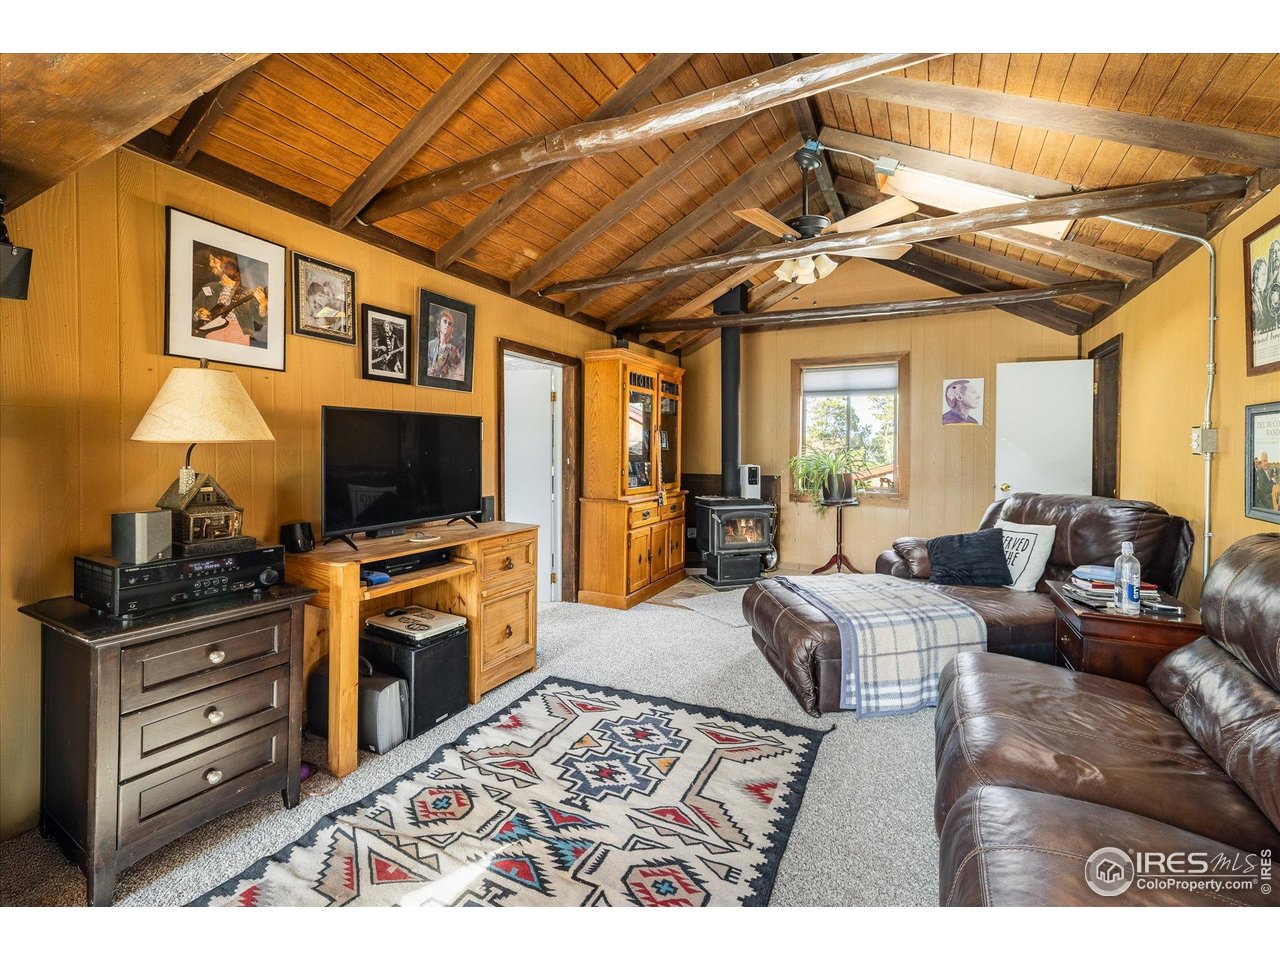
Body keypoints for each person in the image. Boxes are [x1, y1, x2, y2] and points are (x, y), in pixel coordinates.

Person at [192, 252, 267, 346]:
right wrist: (198, 312)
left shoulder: (247, 292)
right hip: (211, 330)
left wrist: (263, 303)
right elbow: (193, 307)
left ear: (227, 264)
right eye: (210, 261)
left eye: (214, 260)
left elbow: (262, 320)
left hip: (238, 331)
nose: (211, 264)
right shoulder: (209, 287)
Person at [426, 307, 465, 381]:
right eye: (445, 321)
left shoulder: (453, 350)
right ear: (439, 323)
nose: (447, 325)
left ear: (451, 329)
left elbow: (459, 375)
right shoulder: (430, 345)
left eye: (449, 324)